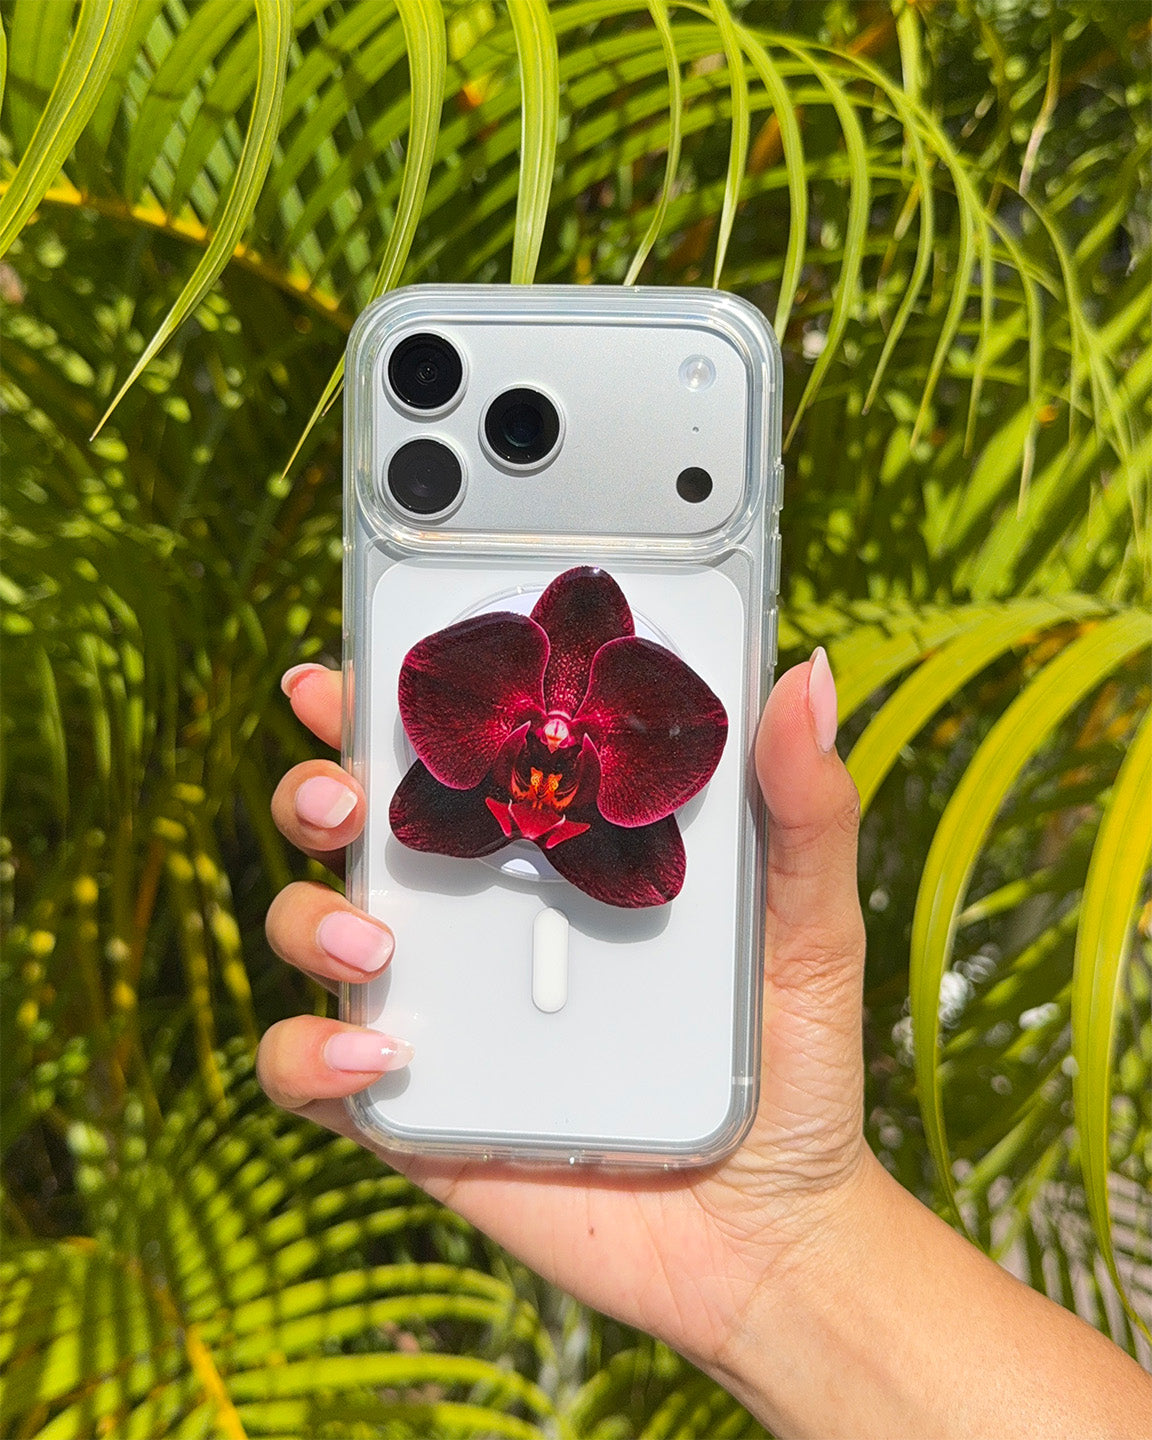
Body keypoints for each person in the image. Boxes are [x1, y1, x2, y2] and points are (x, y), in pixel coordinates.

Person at [258, 650, 1152, 1439]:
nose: (550, 760)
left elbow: (661, 826)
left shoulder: (624, 821)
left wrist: (797, 1246)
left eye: (566, 755)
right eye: (538, 750)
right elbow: (420, 772)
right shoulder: (472, 750)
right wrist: (795, 1258)